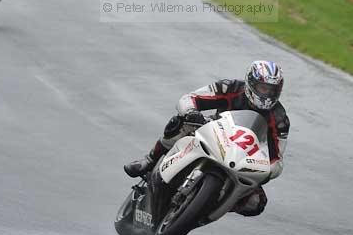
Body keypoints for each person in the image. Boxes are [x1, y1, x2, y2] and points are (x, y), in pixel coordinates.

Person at [124, 60, 289, 217]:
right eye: (263, 88)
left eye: (271, 90)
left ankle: (208, 205)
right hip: (213, 134)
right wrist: (191, 112)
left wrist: (265, 171)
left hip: (241, 158)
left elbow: (277, 159)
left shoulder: (280, 119)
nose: (267, 94)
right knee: (180, 123)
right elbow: (190, 98)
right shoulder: (229, 88)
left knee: (256, 202)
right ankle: (149, 161)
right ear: (251, 83)